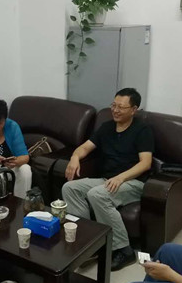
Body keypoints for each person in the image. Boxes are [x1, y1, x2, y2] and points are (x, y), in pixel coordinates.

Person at [62, 88, 153, 271]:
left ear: (134, 109)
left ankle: (124, 249)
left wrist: (121, 177)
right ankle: (87, 241)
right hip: (107, 179)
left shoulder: (142, 130)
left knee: (97, 194)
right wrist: (74, 157)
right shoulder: (106, 127)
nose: (115, 110)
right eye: (113, 105)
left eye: (121, 107)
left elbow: (146, 163)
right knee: (70, 188)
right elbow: (84, 148)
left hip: (133, 182)